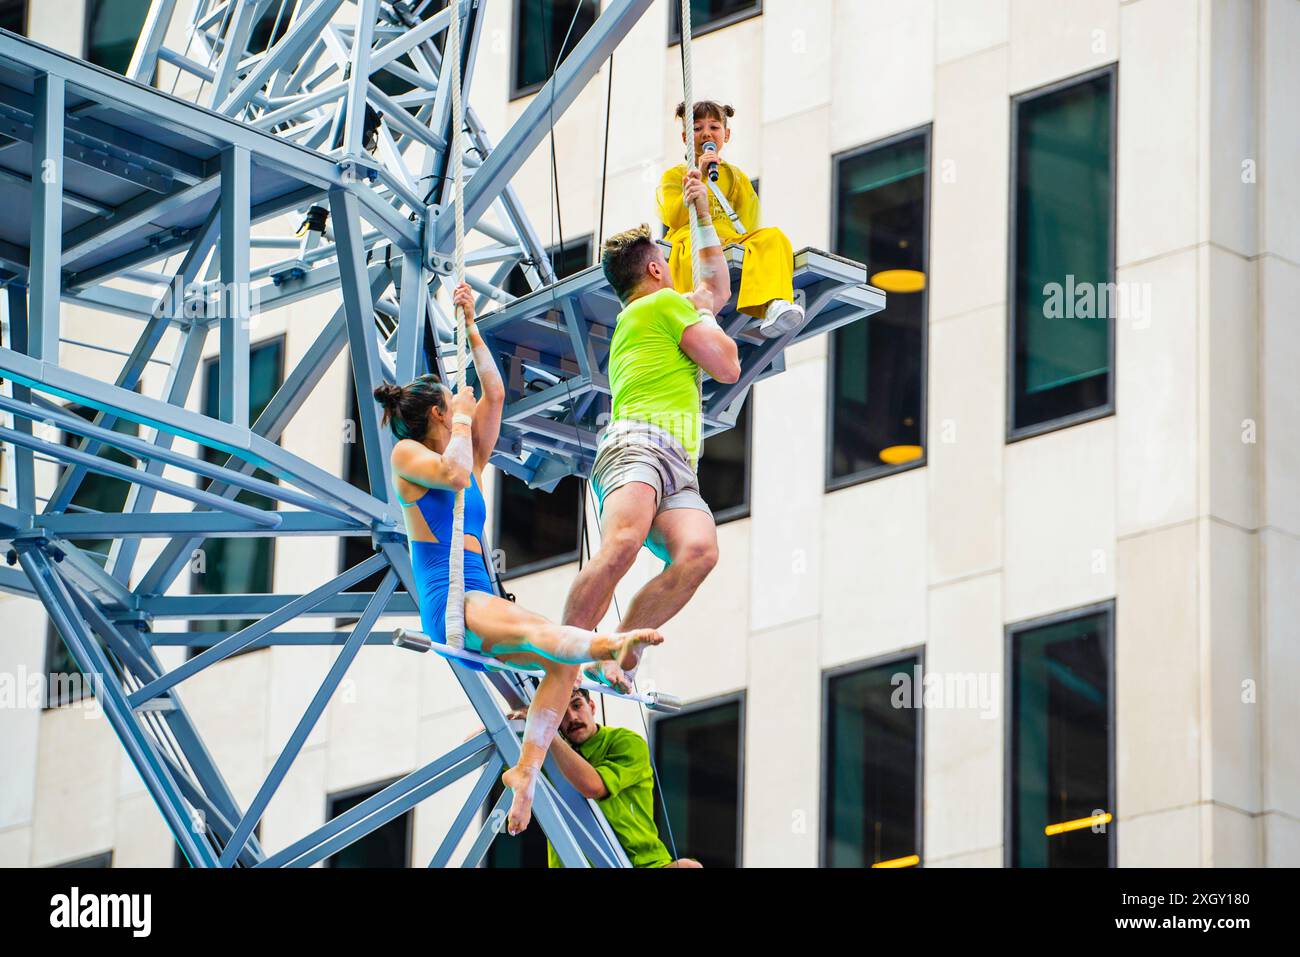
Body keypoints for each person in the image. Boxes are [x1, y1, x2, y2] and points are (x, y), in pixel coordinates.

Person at [375, 281, 663, 837]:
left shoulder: (466, 447)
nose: (462, 416)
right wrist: (460, 418)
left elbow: (496, 395)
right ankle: (610, 645)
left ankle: (526, 773)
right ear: (437, 411)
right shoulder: (407, 455)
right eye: (451, 410)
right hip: (454, 602)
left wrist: (473, 329)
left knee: (560, 662)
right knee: (556, 642)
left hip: (482, 592)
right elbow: (455, 472)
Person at [560, 184, 737, 688]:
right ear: (657, 269)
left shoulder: (655, 312)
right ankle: (565, 650)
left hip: (677, 459)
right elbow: (726, 364)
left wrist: (702, 210)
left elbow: (715, 289)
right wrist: (702, 309)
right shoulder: (660, 309)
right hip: (640, 442)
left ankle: (618, 649)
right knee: (623, 544)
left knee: (699, 551)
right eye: (665, 260)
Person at [507, 687, 701, 868]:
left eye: (576, 705)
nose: (572, 717)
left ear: (591, 706)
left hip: (639, 861)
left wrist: (546, 730)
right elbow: (509, 775)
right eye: (561, 714)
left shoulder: (626, 742)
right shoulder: (546, 754)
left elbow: (593, 786)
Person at [658, 99, 803, 339]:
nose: (706, 133)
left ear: (726, 134)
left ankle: (774, 304)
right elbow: (673, 217)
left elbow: (749, 222)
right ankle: (694, 317)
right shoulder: (674, 175)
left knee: (773, 237)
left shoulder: (736, 177)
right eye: (697, 128)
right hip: (691, 236)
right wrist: (701, 176)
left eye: (714, 127)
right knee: (687, 256)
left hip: (729, 238)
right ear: (685, 137)